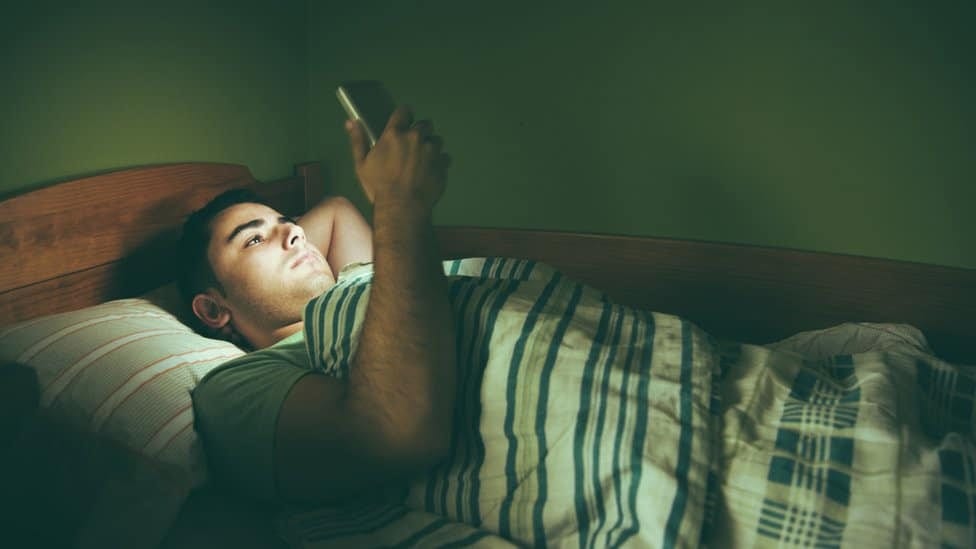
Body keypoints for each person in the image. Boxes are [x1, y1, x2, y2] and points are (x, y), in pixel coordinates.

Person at [185, 105, 459, 505]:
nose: (297, 234)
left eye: (289, 224)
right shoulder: (232, 388)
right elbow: (396, 436)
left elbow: (336, 210)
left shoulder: (369, 286)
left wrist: (278, 240)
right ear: (213, 310)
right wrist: (399, 204)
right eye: (254, 239)